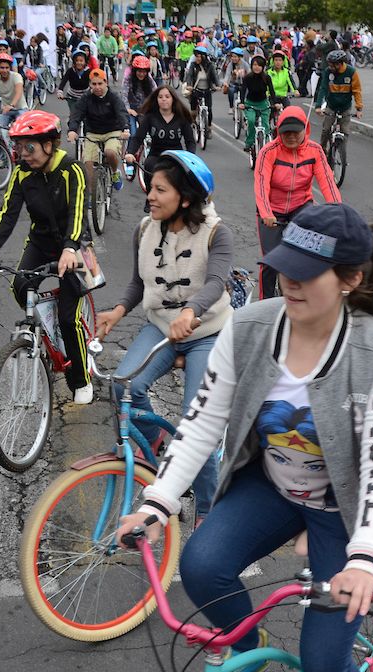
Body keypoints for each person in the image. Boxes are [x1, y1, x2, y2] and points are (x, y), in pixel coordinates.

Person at [115, 202, 373, 672]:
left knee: (325, 663)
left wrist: (366, 560)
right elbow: (203, 421)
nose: (286, 281)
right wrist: (157, 504)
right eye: (282, 266)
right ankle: (245, 648)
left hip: (345, 510)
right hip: (273, 485)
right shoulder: (249, 327)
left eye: (305, 273)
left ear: (350, 279)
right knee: (202, 565)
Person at [96, 151, 230, 520]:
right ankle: (154, 439)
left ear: (184, 198)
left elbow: (218, 282)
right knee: (124, 384)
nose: (150, 195)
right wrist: (118, 311)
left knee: (195, 423)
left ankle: (207, 510)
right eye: (151, 187)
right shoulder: (144, 229)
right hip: (161, 328)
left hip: (207, 333)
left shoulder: (217, 233)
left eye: (160, 189)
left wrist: (191, 311)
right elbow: (140, 282)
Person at [0, 111, 95, 405]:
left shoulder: (70, 169)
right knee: (20, 286)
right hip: (40, 243)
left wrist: (70, 248)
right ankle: (47, 333)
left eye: (30, 147)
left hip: (74, 246)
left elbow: (79, 212)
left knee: (68, 318)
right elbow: (7, 213)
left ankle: (81, 378)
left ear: (50, 143)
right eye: (19, 147)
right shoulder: (22, 174)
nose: (23, 154)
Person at [254, 106, 341, 298]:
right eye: (286, 132)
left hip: (301, 206)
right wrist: (266, 212)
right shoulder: (269, 151)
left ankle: (305, 297)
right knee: (270, 262)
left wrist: (338, 211)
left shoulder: (315, 151)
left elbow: (327, 181)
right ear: (279, 131)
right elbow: (261, 184)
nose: (291, 136)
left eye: (296, 131)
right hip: (272, 210)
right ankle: (264, 304)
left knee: (306, 255)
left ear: (306, 129)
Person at [67, 69, 130, 192]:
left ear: (106, 82)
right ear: (90, 84)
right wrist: (72, 130)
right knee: (88, 162)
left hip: (112, 131)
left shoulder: (113, 97)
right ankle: (90, 193)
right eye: (94, 84)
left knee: (110, 152)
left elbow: (122, 113)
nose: (97, 87)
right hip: (92, 133)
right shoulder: (86, 98)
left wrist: (125, 128)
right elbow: (76, 114)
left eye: (100, 84)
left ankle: (114, 173)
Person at [314, 49, 363, 155]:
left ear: (340, 64)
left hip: (345, 107)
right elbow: (323, 88)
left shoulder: (351, 72)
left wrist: (359, 109)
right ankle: (322, 151)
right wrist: (318, 106)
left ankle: (341, 152)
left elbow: (357, 91)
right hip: (331, 105)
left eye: (332, 65)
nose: (330, 67)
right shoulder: (328, 72)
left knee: (345, 131)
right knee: (326, 129)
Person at [240, 55, 279, 152]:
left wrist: (275, 103)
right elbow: (243, 90)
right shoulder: (247, 78)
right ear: (251, 66)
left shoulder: (267, 77)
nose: (257, 67)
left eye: (259, 65)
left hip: (263, 104)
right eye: (254, 65)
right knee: (251, 121)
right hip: (250, 104)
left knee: (266, 125)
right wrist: (241, 103)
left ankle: (268, 146)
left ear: (263, 67)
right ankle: (249, 142)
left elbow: (272, 91)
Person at [124, 55, 157, 165]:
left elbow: (156, 93)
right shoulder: (128, 79)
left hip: (145, 110)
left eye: (144, 71)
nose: (141, 74)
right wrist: (128, 109)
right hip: (132, 110)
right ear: (135, 71)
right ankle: (129, 159)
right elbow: (123, 95)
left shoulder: (149, 79)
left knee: (151, 133)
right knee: (133, 134)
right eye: (139, 71)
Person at [183, 45, 221, 134]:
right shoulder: (193, 65)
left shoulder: (210, 65)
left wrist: (218, 85)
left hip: (207, 90)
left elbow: (214, 77)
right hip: (196, 90)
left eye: (199, 56)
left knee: (209, 110)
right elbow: (189, 76)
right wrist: (189, 85)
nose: (197, 58)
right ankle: (193, 122)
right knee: (193, 111)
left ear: (204, 57)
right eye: (196, 56)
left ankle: (209, 126)